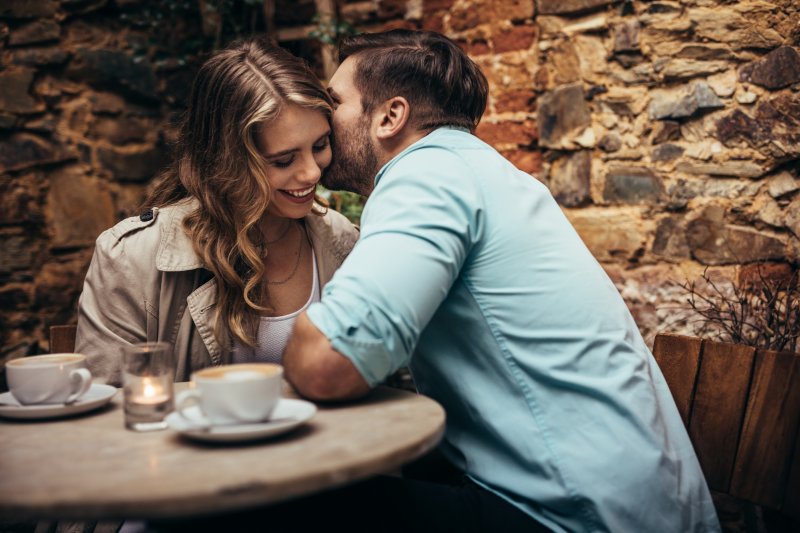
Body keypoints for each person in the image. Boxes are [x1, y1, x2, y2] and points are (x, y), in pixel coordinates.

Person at [279, 29, 721, 532]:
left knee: (294, 507)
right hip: (638, 501)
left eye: (334, 101)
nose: (322, 116)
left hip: (574, 512)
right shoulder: (482, 170)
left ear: (389, 116)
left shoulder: (427, 176)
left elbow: (327, 363)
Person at [75, 38, 358, 386]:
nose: (312, 173)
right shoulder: (131, 259)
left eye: (320, 146)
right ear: (227, 160)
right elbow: (109, 415)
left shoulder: (341, 241)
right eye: (283, 160)